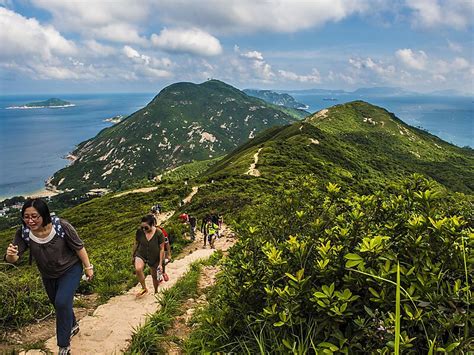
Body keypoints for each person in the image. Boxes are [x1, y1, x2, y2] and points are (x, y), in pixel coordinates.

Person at [4, 198, 93, 355]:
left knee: (61, 302)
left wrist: (88, 267)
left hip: (70, 269)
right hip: (48, 274)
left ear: (44, 215)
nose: (30, 221)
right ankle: (73, 325)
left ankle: (63, 346)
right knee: (59, 304)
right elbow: (14, 259)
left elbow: (79, 247)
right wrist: (10, 255)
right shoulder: (24, 232)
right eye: (26, 216)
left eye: (35, 216)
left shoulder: (61, 226)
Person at [132, 215, 165, 297]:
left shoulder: (159, 233)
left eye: (146, 228)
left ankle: (156, 291)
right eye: (142, 227)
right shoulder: (139, 232)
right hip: (141, 253)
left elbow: (161, 249)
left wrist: (160, 264)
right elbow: (136, 243)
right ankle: (144, 288)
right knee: (138, 269)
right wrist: (133, 255)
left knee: (154, 276)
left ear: (152, 225)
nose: (144, 229)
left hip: (154, 256)